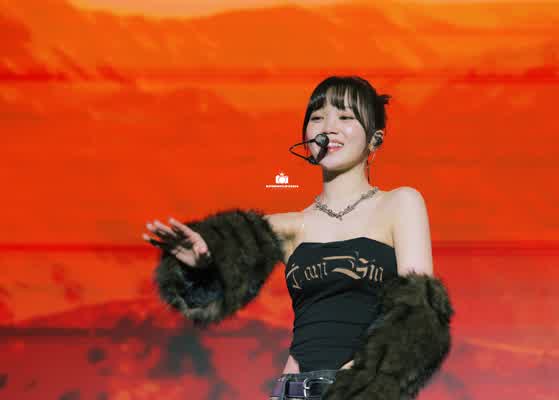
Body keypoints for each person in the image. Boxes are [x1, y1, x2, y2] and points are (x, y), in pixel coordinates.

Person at [142, 76, 454, 400]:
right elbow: (218, 279)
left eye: (345, 117)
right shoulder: (291, 226)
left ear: (375, 139)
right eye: (317, 117)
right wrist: (201, 266)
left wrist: (359, 382)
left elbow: (422, 317)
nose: (329, 127)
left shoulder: (400, 204)